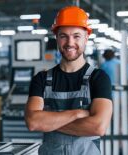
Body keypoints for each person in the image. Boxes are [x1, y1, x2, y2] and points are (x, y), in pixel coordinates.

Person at [25, 6, 113, 155]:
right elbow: (33, 122)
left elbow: (98, 127)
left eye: (76, 36)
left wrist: (48, 122)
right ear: (57, 38)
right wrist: (77, 114)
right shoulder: (41, 79)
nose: (69, 42)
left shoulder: (98, 78)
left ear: (86, 37)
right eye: (63, 36)